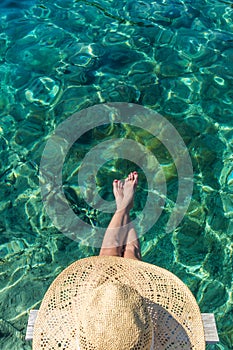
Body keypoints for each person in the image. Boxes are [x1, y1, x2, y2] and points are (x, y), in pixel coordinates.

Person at [32, 171, 206, 350]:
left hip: (105, 305)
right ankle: (123, 208)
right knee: (128, 252)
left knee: (117, 253)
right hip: (128, 313)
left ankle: (123, 207)